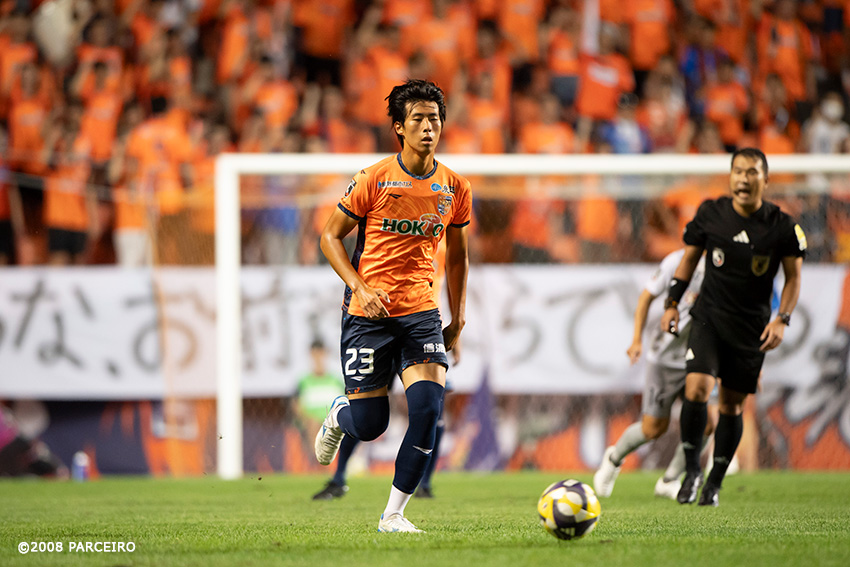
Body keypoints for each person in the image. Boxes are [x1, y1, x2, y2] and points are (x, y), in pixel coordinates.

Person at [315, 79, 471, 532]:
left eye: (434, 119)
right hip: (369, 314)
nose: (428, 127)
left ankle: (394, 514)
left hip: (421, 312)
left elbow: (457, 257)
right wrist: (359, 287)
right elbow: (329, 237)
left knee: (427, 410)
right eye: (418, 119)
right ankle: (340, 413)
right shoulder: (374, 178)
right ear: (399, 128)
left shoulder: (455, 187)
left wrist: (457, 317)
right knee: (370, 425)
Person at [661, 147, 806, 506]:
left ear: (765, 180)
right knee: (696, 389)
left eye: (752, 172)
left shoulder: (783, 227)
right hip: (708, 317)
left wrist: (782, 319)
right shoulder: (711, 213)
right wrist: (672, 303)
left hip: (750, 328)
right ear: (730, 177)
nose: (743, 178)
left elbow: (793, 278)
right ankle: (692, 470)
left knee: (731, 406)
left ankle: (714, 482)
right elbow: (688, 261)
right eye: (738, 171)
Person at [594, 248, 716, 500]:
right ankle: (614, 458)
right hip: (666, 359)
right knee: (653, 428)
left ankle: (670, 479)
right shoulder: (676, 261)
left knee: (707, 423)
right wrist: (636, 339)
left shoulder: (726, 261)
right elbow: (645, 297)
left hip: (700, 357)